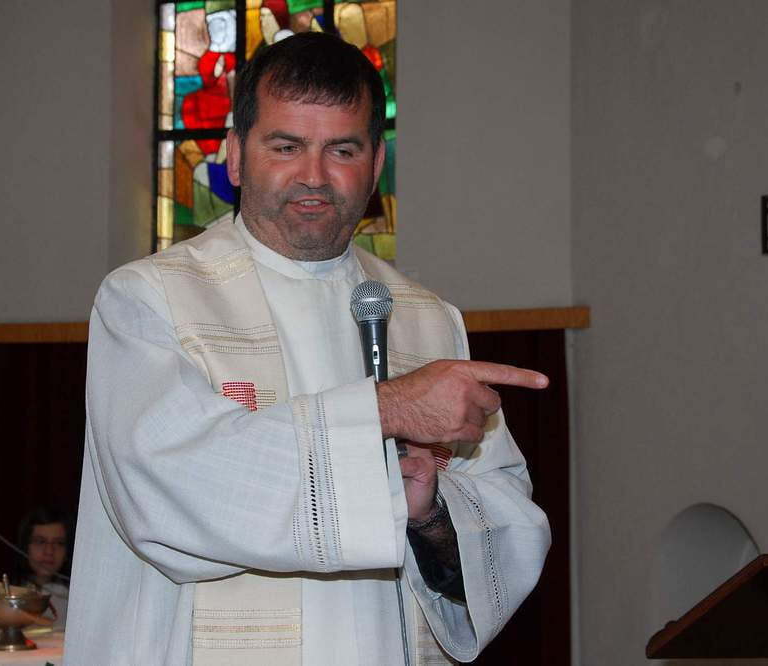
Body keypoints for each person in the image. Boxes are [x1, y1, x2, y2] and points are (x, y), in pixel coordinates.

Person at [66, 32, 551, 665]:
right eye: (286, 147)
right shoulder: (148, 300)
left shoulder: (429, 321)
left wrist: (429, 514)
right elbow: (162, 488)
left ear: (376, 164)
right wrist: (386, 409)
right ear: (235, 156)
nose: (314, 176)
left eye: (342, 150)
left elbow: (503, 527)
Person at [14, 506, 72, 630]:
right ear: (25, 547)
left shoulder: (75, 599)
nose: (49, 551)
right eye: (40, 542)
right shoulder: (6, 595)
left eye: (59, 543)